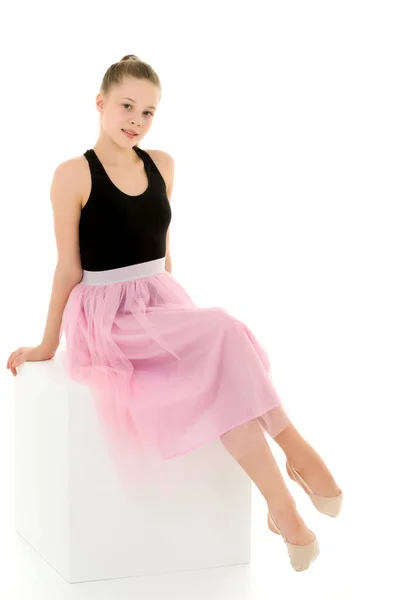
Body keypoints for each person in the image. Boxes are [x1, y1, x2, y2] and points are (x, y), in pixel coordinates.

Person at [6, 54, 342, 572]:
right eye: (126, 107)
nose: (136, 121)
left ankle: (282, 508)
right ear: (100, 104)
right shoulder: (72, 174)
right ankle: (295, 450)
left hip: (157, 301)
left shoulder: (162, 163)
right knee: (228, 330)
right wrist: (47, 344)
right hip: (107, 317)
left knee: (224, 359)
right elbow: (67, 269)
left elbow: (162, 254)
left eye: (148, 112)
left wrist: (178, 318)